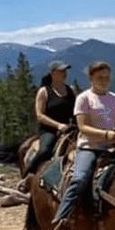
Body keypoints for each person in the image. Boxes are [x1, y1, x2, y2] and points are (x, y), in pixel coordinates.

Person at [50, 61, 115, 230]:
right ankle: (63, 219)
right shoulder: (84, 98)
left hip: (112, 147)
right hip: (89, 146)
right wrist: (107, 134)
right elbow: (82, 127)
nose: (104, 81)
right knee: (79, 178)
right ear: (91, 78)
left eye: (107, 77)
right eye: (100, 77)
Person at [18, 60, 76, 192]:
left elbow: (77, 111)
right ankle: (28, 176)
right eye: (61, 71)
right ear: (52, 73)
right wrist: (58, 125)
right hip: (49, 129)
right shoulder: (44, 92)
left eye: (65, 71)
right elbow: (40, 115)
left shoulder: (71, 90)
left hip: (69, 127)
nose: (64, 73)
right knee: (45, 150)